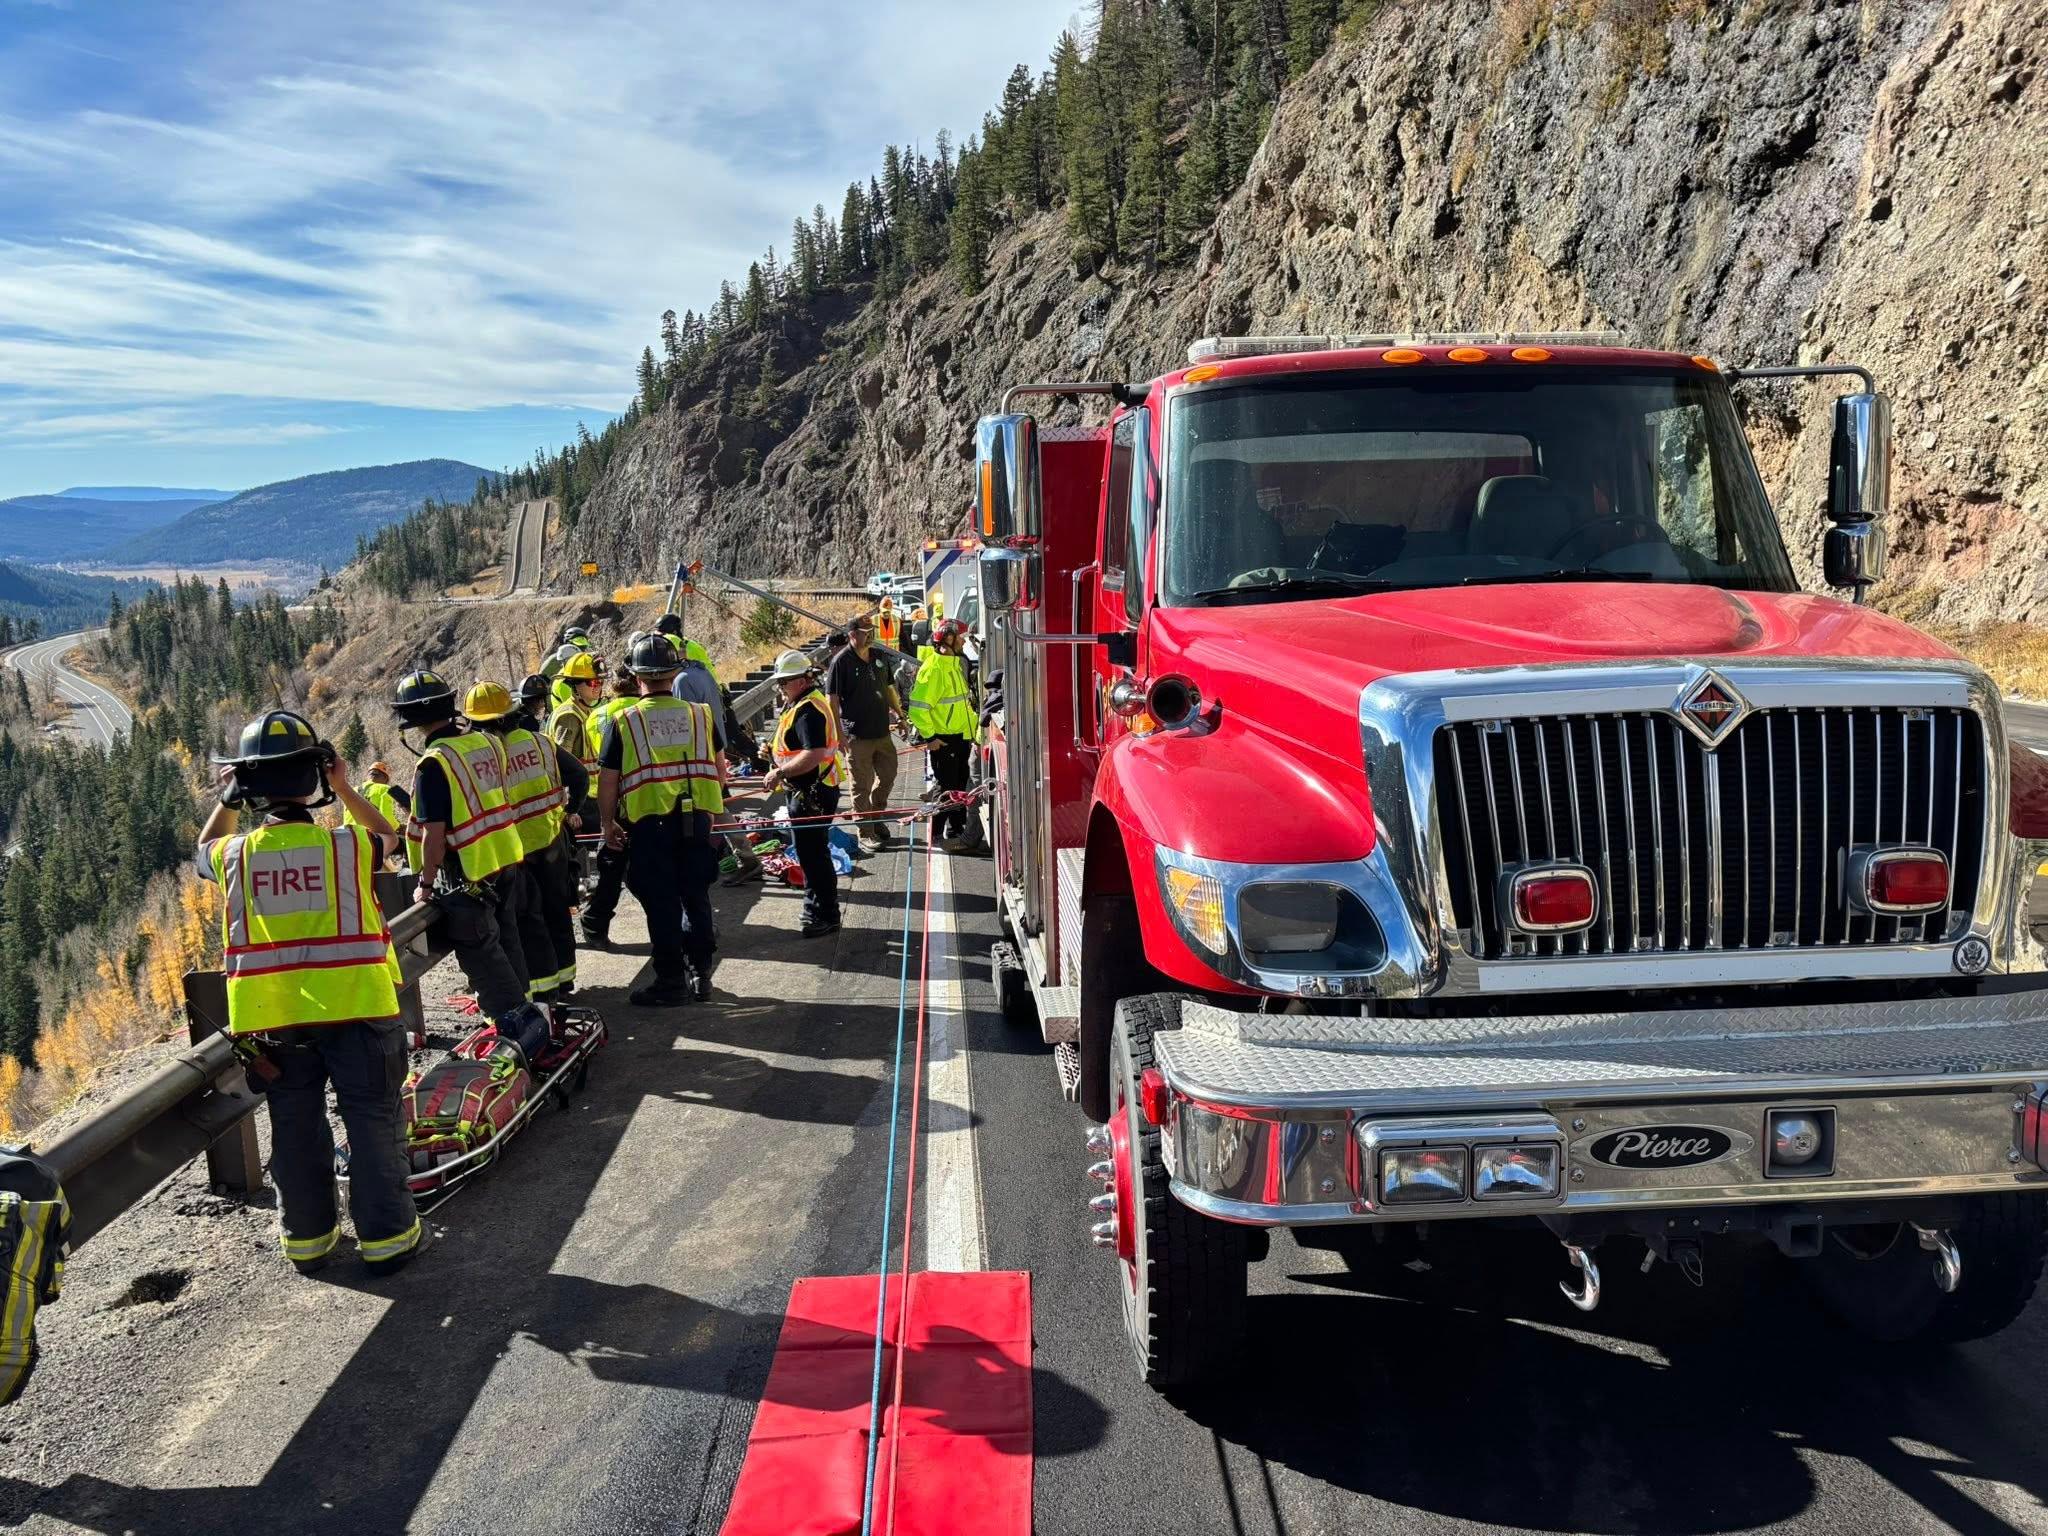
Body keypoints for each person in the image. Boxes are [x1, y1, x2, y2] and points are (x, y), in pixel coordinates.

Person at [194, 710, 424, 1275]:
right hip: (361, 1010)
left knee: (294, 1129)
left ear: (250, 786)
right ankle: (387, 1242)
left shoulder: (234, 857)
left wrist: (230, 796)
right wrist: (344, 785)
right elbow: (390, 836)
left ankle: (309, 1241)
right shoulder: (346, 849)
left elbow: (203, 847)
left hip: (276, 1023)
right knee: (371, 1122)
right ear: (313, 780)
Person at [389, 671, 547, 1049]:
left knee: (483, 956)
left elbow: (434, 833)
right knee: (509, 941)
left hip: (469, 873)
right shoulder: (487, 742)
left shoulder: (433, 764)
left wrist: (425, 884)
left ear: (410, 720)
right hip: (506, 858)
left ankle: (515, 1033)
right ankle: (529, 1016)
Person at [597, 634, 725, 1005]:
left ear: (637, 677)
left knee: (662, 904)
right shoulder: (700, 715)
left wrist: (608, 824)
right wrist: (708, 814)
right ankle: (701, 974)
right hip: (696, 820)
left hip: (650, 827)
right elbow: (719, 770)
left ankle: (670, 981)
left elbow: (608, 780)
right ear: (674, 673)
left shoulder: (625, 721)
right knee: (696, 896)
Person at [465, 680, 576, 1000]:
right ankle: (564, 979)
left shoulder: (479, 758)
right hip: (551, 839)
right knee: (557, 911)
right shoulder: (541, 743)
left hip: (515, 852)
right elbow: (578, 776)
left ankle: (540, 992)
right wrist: (571, 812)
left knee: (526, 923)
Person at [762, 650, 842, 938]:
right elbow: (795, 747)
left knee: (813, 856)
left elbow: (813, 753)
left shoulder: (809, 710)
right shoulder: (799, 704)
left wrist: (780, 773)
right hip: (807, 790)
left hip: (813, 792)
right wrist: (772, 755)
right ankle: (815, 910)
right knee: (810, 854)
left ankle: (825, 914)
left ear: (801, 680)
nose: (780, 688)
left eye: (784, 683)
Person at [826, 614, 902, 854]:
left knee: (888, 776)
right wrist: (839, 734)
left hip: (882, 732)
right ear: (852, 634)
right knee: (861, 785)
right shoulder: (841, 662)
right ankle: (865, 833)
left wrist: (899, 714)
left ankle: (875, 817)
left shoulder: (878, 656)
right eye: (864, 632)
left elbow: (888, 689)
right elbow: (832, 701)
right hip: (857, 736)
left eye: (871, 631)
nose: (870, 635)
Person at [579, 666, 641, 946]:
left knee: (612, 867)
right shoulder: (642, 711)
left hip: (607, 799)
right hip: (643, 799)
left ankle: (595, 922)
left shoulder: (596, 715)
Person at [911, 620, 982, 852]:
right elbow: (918, 708)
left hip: (959, 737)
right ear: (948, 640)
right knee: (947, 788)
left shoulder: (952, 663)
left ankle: (955, 828)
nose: (963, 640)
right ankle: (936, 835)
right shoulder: (934, 669)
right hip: (944, 739)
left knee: (960, 785)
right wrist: (930, 738)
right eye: (959, 637)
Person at [345, 761, 410, 832]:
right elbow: (388, 819)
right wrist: (399, 827)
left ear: (368, 776)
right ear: (385, 778)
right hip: (370, 838)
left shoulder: (351, 791)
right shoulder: (385, 789)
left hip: (349, 836)